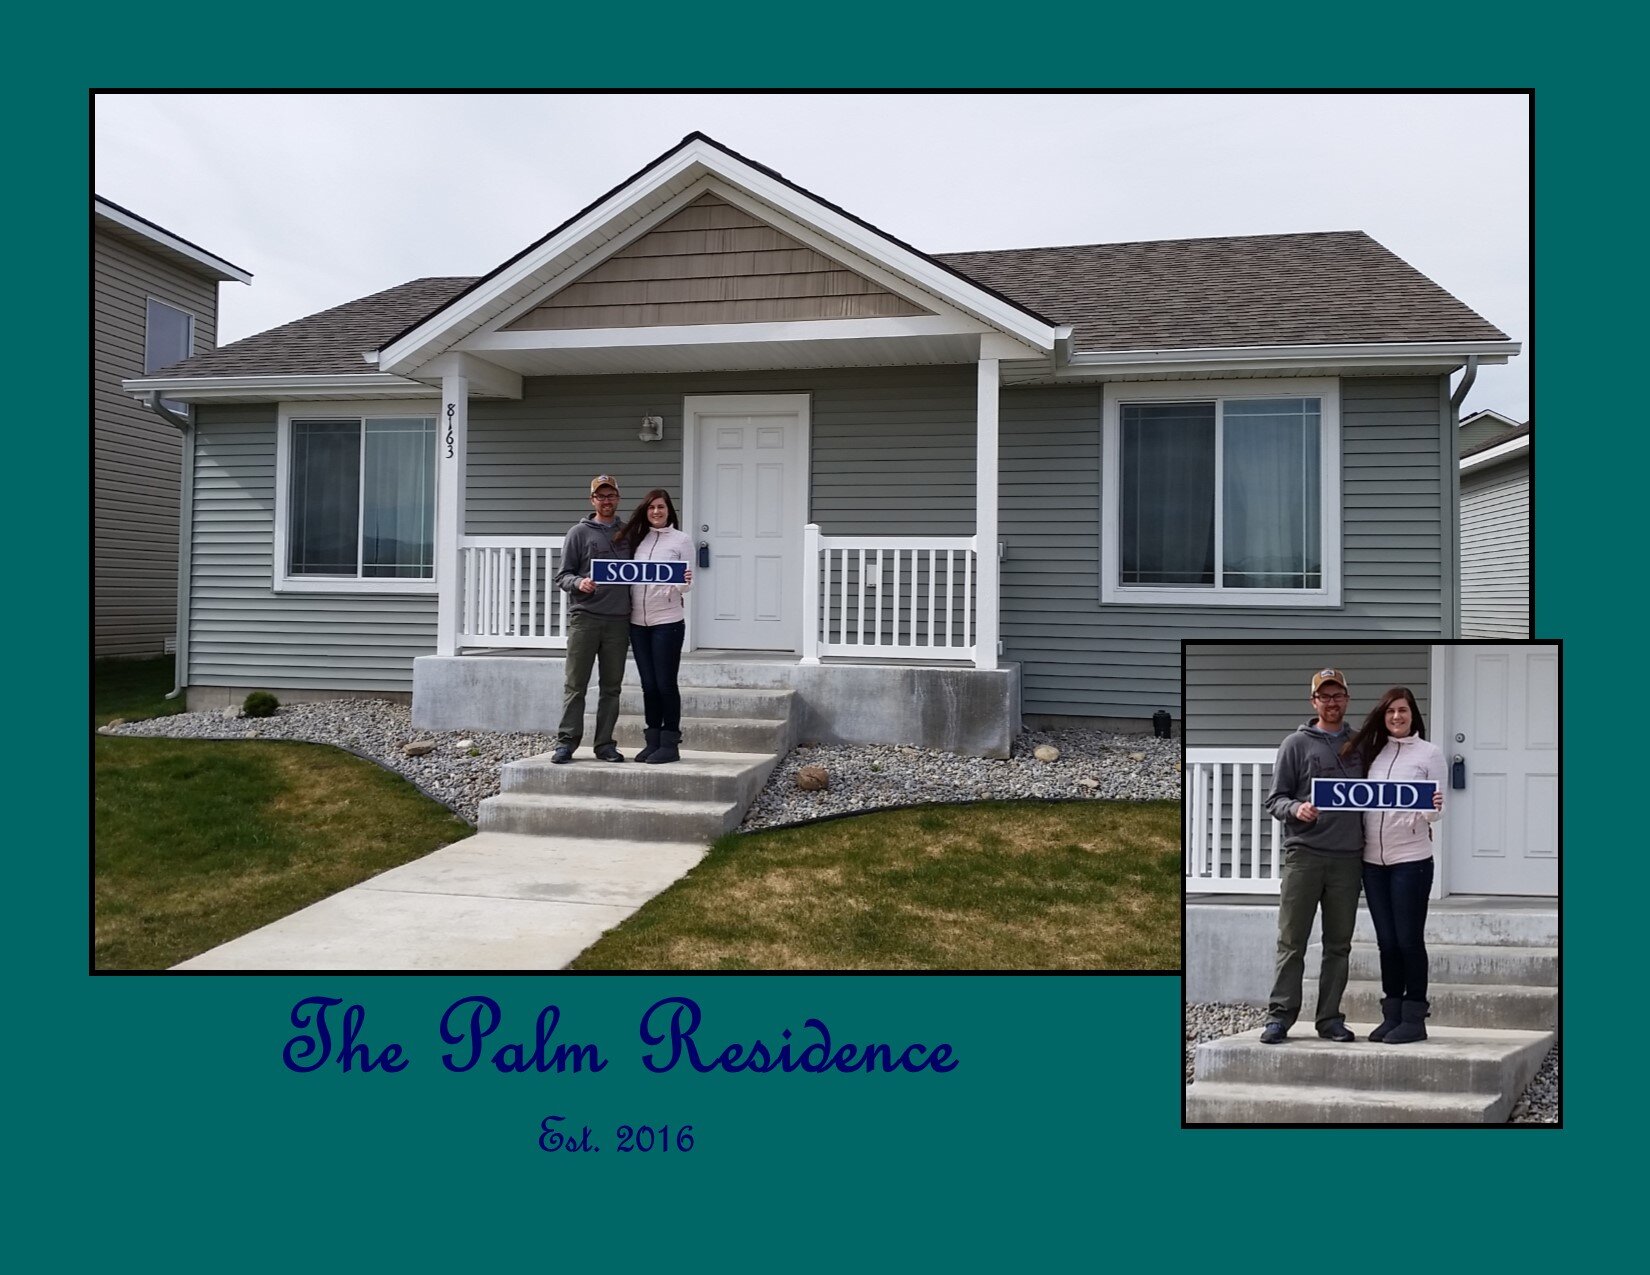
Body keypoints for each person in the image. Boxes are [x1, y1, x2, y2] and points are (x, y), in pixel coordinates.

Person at [1259, 668, 1366, 1044]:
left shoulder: (1361, 743)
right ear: (1314, 702)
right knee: (1292, 941)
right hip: (1304, 855)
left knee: (1339, 944)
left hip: (1348, 859)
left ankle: (1330, 1019)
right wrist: (1296, 809)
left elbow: (1384, 788)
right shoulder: (1295, 744)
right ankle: (1279, 1018)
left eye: (1338, 696)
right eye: (1325, 696)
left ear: (1347, 700)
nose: (1332, 702)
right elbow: (1274, 799)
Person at [1342, 686, 1446, 1044]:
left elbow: (1436, 812)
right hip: (1373, 863)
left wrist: (1432, 806)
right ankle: (1392, 1014)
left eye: (1402, 711)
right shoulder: (1375, 751)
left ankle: (1415, 1018)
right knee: (1387, 942)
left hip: (1411, 861)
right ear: (1383, 716)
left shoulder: (1429, 754)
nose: (1397, 717)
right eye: (1390, 712)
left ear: (1413, 714)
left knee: (1408, 941)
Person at [551, 475, 632, 764]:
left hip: (619, 621)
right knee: (576, 685)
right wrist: (579, 583)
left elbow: (646, 567)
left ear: (618, 498)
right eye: (601, 496)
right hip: (585, 618)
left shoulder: (629, 533)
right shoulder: (578, 533)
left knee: (612, 687)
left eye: (611, 495)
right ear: (592, 500)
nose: (606, 500)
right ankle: (566, 743)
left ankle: (605, 744)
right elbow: (562, 575)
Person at [615, 489, 693, 765]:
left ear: (669, 511)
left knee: (665, 684)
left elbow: (685, 585)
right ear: (646, 511)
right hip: (638, 623)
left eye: (661, 507)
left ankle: (670, 743)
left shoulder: (681, 540)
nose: (656, 512)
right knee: (648, 685)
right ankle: (653, 740)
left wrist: (684, 579)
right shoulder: (639, 538)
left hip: (667, 623)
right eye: (651, 508)